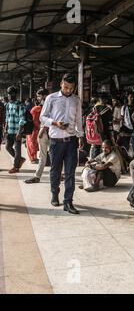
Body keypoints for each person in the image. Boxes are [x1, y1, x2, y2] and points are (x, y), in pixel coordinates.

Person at [40, 73, 84, 214]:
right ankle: (54, 193)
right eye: (66, 87)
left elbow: (78, 120)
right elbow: (42, 117)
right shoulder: (51, 98)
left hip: (71, 141)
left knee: (70, 172)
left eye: (71, 88)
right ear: (61, 84)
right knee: (55, 170)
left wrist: (81, 136)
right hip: (56, 141)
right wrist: (55, 123)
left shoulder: (76, 100)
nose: (68, 90)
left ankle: (68, 201)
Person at [24, 89, 50, 184]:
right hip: (43, 133)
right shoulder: (40, 106)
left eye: (39, 96)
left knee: (55, 155)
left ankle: (60, 175)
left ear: (44, 96)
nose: (38, 98)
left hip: (50, 133)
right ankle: (37, 176)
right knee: (43, 156)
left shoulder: (51, 104)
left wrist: (42, 129)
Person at [4, 86, 26, 174]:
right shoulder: (8, 105)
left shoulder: (19, 105)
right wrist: (5, 127)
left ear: (14, 94)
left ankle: (16, 167)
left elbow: (22, 119)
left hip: (17, 131)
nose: (9, 95)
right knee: (7, 147)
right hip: (10, 131)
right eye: (8, 93)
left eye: (10, 93)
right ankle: (20, 159)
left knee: (17, 150)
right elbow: (7, 117)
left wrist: (19, 132)